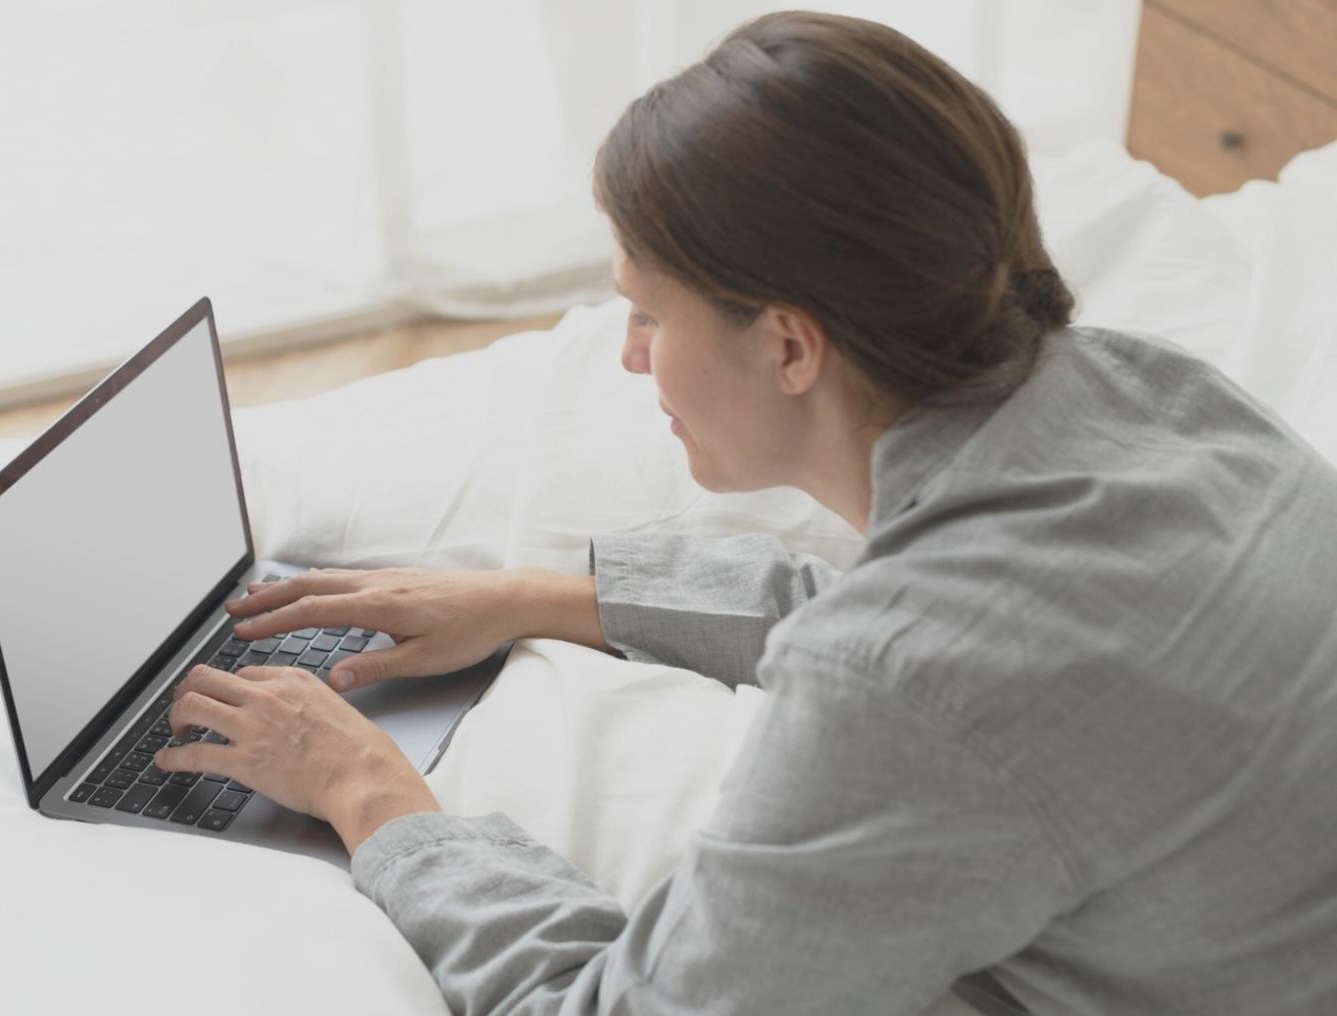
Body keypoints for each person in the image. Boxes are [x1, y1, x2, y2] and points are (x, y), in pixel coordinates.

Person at [152, 11, 1337, 1014]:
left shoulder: (905, 695)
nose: (626, 357)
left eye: (647, 316)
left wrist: (371, 796)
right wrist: (550, 597)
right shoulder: (1141, 390)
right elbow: (983, 645)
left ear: (785, 344)